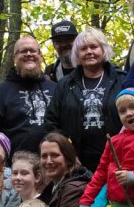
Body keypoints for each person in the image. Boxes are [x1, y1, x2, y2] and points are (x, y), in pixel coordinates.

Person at [44, 27, 125, 173]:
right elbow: (51, 122)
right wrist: (67, 152)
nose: (89, 52)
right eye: (83, 49)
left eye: (94, 47)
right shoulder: (66, 84)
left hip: (119, 158)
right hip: (78, 161)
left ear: (103, 49)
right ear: (77, 54)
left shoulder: (121, 79)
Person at [0, 36, 56, 155]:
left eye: (33, 51)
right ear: (14, 58)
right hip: (16, 170)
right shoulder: (0, 93)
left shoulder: (56, 89)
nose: (28, 54)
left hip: (53, 166)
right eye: (23, 51)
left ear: (40, 56)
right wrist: (1, 166)